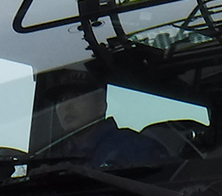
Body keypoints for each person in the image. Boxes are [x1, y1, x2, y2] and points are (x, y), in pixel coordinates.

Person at [38, 68, 170, 170]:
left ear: (101, 106)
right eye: (61, 100)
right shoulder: (56, 159)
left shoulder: (134, 148)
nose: (66, 105)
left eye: (77, 96)